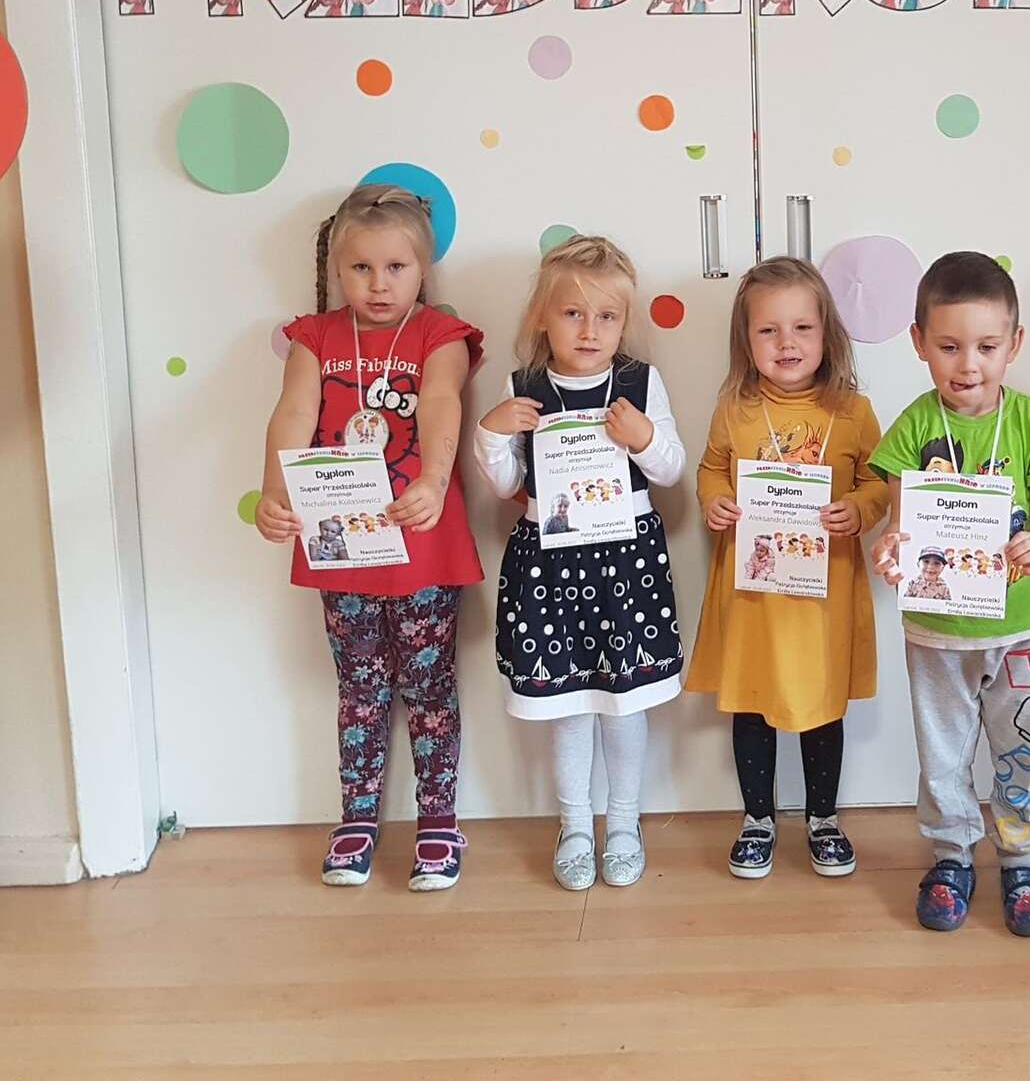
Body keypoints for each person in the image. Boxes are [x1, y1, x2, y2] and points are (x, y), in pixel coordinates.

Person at [253, 184, 482, 892]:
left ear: (422, 269)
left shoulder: (440, 334)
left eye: (395, 267)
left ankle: (438, 822)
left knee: (430, 687)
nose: (378, 285)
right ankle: (357, 819)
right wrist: (273, 491)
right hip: (341, 548)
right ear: (336, 270)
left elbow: (441, 402)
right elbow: (293, 414)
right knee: (360, 689)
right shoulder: (314, 338)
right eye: (361, 268)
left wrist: (434, 480)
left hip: (422, 546)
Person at [869, 253, 1030, 937]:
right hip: (937, 630)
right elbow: (900, 520)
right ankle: (951, 856)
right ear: (918, 343)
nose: (969, 365)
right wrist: (891, 548)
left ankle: (1022, 860)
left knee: (1026, 748)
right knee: (942, 753)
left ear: (1015, 344)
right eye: (949, 346)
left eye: (987, 347)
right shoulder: (912, 426)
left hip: (1023, 627)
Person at [472, 236, 685, 891]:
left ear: (624, 322)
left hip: (627, 565)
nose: (590, 331)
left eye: (606, 317)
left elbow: (671, 469)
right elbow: (507, 483)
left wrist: (643, 438)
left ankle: (622, 822)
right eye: (573, 314)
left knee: (625, 701)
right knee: (566, 704)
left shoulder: (640, 382)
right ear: (544, 316)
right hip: (549, 566)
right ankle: (573, 825)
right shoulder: (525, 388)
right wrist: (492, 431)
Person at [687, 258, 887, 880]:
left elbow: (881, 481)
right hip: (753, 594)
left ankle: (823, 818)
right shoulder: (735, 409)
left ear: (828, 333)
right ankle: (758, 819)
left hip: (823, 598)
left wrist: (860, 509)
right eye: (768, 330)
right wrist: (714, 499)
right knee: (751, 703)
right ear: (746, 341)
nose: (787, 343)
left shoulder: (853, 411)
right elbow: (710, 468)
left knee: (822, 706)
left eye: (802, 327)